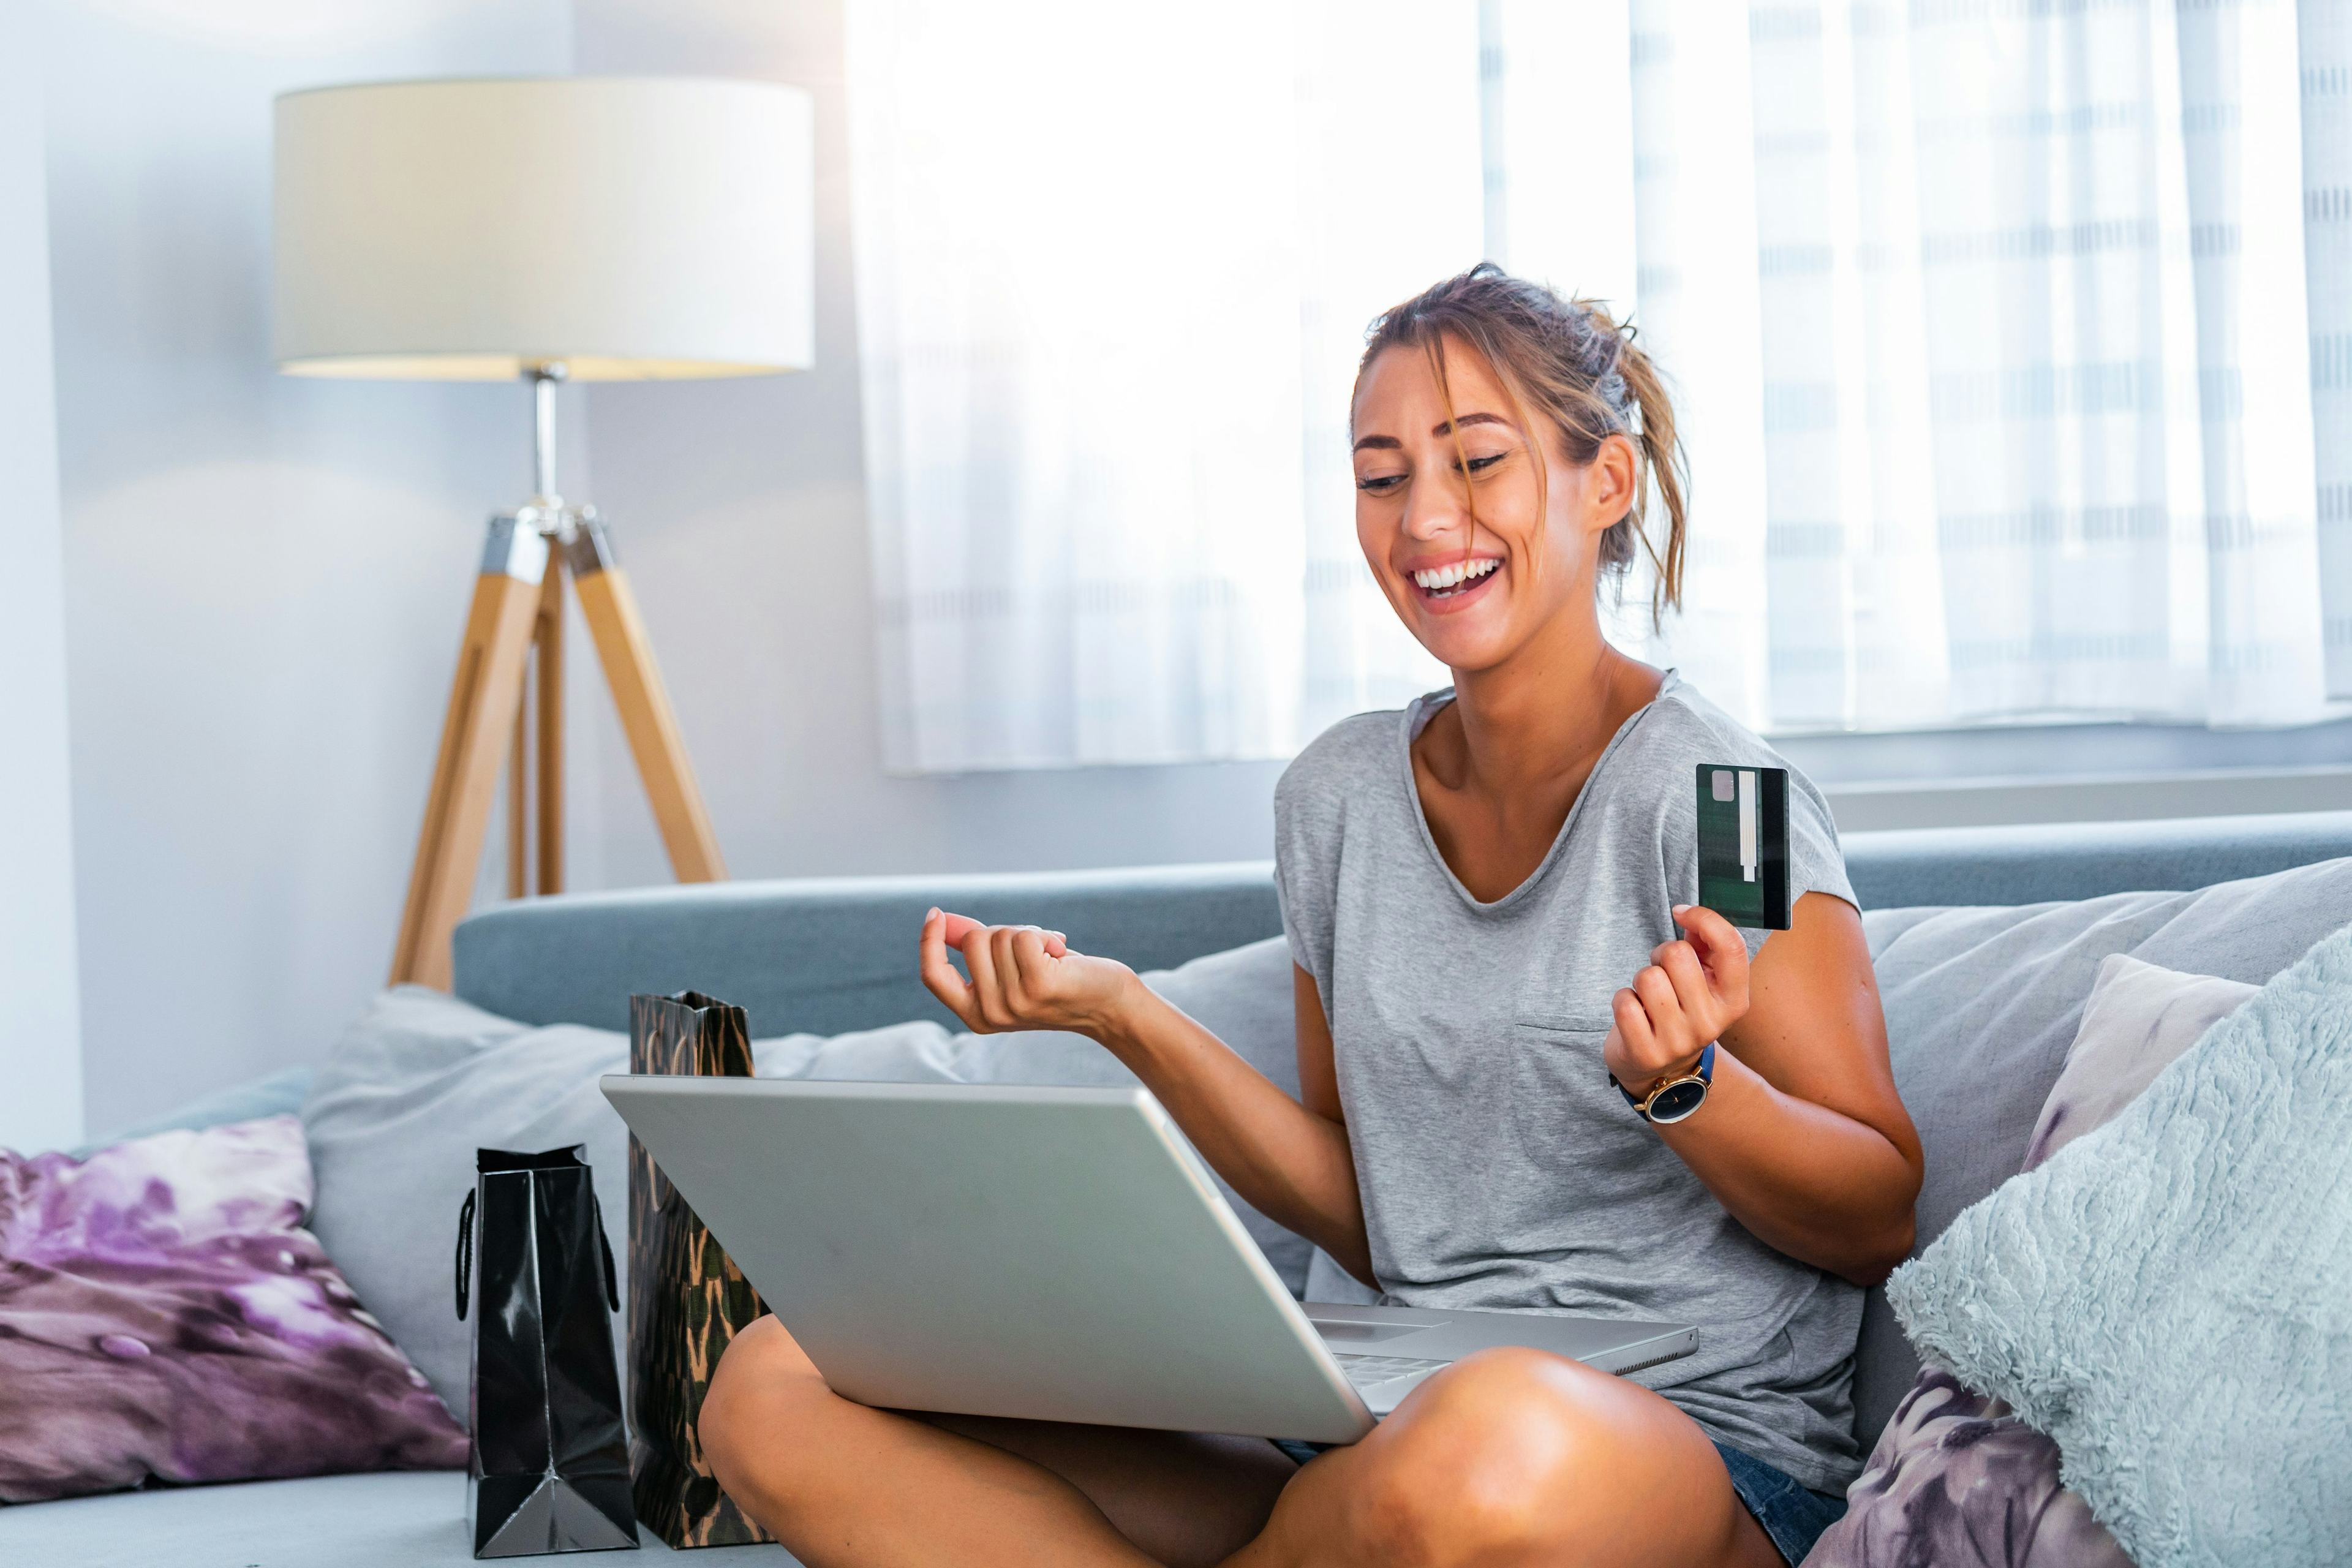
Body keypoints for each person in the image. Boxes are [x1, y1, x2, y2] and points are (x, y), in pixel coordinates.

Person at [698, 264, 1924, 1568]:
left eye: (1477, 462)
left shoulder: (1728, 803)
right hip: (1363, 1442)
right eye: (1383, 475)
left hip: (1662, 1449)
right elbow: (1378, 1209)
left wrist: (1688, 1084)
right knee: (779, 1378)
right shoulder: (1335, 801)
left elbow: (1875, 1212)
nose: (1425, 519)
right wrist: (1120, 1014)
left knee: (1482, 1439)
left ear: (1605, 482)